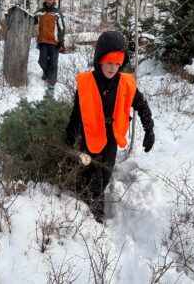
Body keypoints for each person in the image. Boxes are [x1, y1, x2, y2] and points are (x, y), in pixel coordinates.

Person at [66, 31, 155, 223]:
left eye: (117, 63)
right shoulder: (87, 83)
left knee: (105, 174)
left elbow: (142, 105)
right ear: (99, 60)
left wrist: (149, 130)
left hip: (111, 139)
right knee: (94, 177)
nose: (113, 67)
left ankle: (92, 198)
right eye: (109, 62)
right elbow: (76, 113)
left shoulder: (126, 84)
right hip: (89, 138)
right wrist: (70, 135)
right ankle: (96, 215)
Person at [34, 0, 65, 95]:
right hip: (42, 41)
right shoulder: (39, 12)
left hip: (54, 42)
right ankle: (47, 74)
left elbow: (61, 28)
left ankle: (51, 85)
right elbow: (31, 21)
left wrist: (61, 42)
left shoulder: (57, 13)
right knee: (41, 61)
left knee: (53, 63)